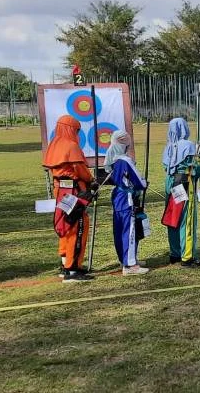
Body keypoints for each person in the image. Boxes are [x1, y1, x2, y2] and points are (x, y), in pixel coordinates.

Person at [43, 115, 97, 282]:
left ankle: (65, 262)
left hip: (61, 191)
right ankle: (72, 269)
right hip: (74, 192)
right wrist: (91, 181)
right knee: (78, 225)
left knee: (65, 226)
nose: (78, 134)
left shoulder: (54, 145)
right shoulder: (71, 146)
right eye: (77, 130)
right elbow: (80, 169)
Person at [161, 118, 200, 268]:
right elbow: (192, 169)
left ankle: (175, 253)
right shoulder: (188, 145)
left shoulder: (168, 147)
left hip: (170, 184)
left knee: (173, 217)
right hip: (185, 183)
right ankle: (187, 256)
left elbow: (166, 167)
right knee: (187, 220)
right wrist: (198, 164)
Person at [104, 130, 149, 275]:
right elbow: (139, 181)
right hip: (127, 199)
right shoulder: (125, 160)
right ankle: (130, 265)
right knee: (129, 230)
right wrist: (144, 183)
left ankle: (127, 259)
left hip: (118, 197)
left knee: (121, 229)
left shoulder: (113, 159)